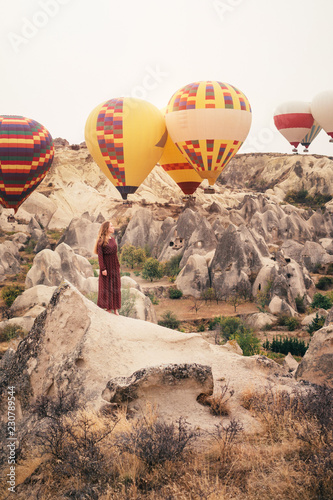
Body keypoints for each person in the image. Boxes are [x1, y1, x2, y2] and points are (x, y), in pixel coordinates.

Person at [93, 220, 121, 315]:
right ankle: (108, 308)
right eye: (111, 226)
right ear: (107, 229)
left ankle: (115, 308)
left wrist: (118, 266)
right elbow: (100, 256)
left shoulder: (113, 239)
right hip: (106, 267)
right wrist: (103, 269)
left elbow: (115, 254)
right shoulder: (101, 241)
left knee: (116, 286)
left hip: (114, 266)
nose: (113, 227)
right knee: (107, 287)